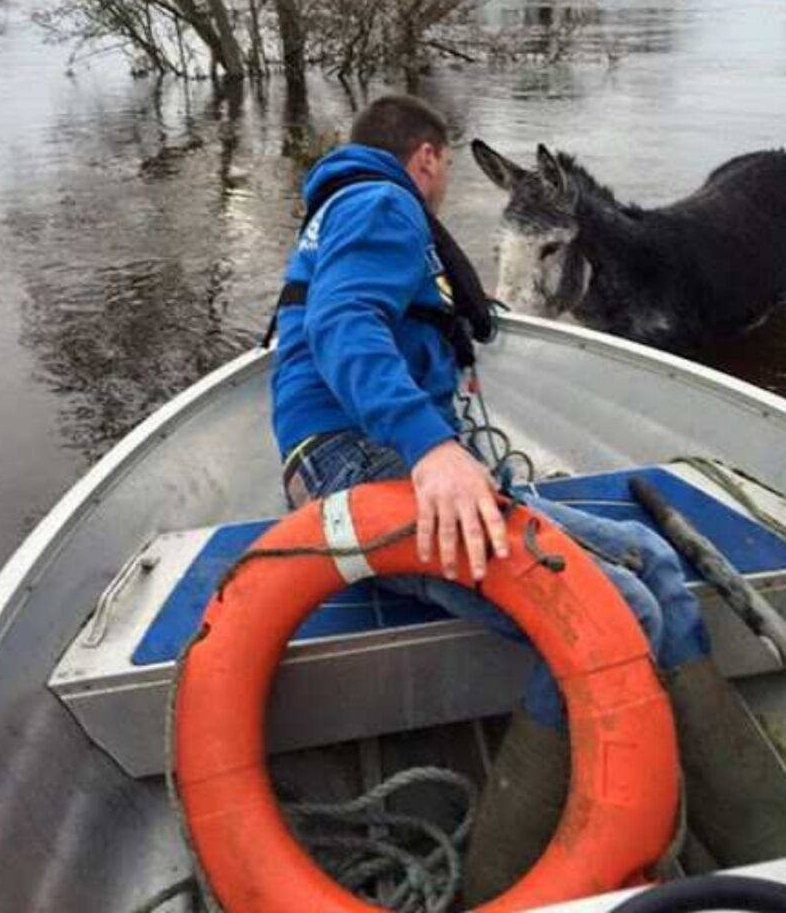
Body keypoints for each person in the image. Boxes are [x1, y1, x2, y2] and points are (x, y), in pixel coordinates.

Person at [271, 94, 708, 904]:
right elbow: (341, 323)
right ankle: (510, 869)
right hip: (360, 465)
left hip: (368, 452)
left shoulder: (345, 207)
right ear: (429, 158)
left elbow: (397, 315)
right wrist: (432, 445)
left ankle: (716, 776)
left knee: (651, 557)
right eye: (442, 172)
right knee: (620, 610)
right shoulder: (381, 201)